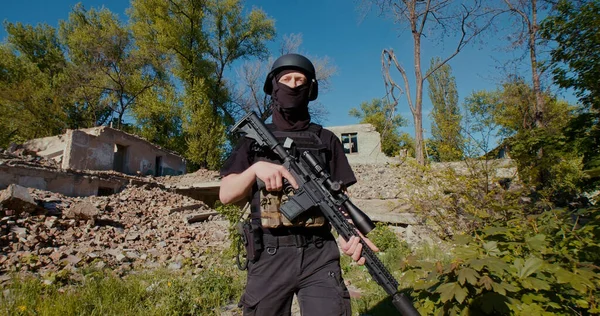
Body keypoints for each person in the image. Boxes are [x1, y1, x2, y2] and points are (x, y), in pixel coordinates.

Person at [219, 53, 378, 316]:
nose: (293, 85)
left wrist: (349, 235)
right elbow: (226, 194)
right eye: (287, 79)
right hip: (269, 253)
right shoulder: (253, 140)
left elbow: (340, 201)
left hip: (319, 254)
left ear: (311, 89)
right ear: (274, 87)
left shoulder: (326, 140)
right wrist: (256, 169)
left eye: (300, 80)